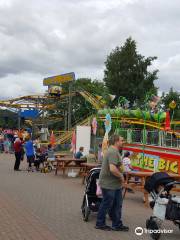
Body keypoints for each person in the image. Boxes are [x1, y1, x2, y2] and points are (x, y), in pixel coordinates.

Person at [95, 135, 129, 232]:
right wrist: (121, 176)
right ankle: (100, 223)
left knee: (116, 204)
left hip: (113, 184)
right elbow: (112, 169)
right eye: (122, 140)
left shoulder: (113, 151)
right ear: (116, 141)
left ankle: (116, 224)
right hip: (109, 184)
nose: (123, 142)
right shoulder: (113, 152)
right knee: (107, 204)